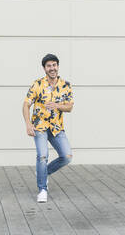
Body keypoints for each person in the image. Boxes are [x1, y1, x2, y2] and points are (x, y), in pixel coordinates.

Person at [22, 53, 74, 203]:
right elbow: (26, 104)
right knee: (42, 156)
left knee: (67, 156)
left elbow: (69, 107)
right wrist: (28, 124)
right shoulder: (37, 85)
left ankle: (43, 173)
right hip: (40, 127)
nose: (52, 68)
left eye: (54, 65)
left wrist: (57, 105)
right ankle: (42, 189)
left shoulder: (66, 85)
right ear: (44, 68)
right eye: (49, 66)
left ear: (58, 66)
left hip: (57, 128)